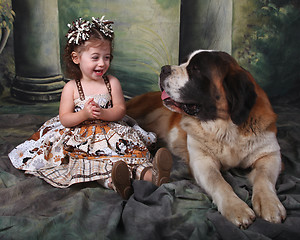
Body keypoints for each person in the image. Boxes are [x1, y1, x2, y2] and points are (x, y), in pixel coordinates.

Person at [8, 16, 172, 200]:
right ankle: (116, 182)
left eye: (107, 57)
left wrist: (104, 113)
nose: (102, 63)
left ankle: (152, 175)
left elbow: (120, 110)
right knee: (95, 164)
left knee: (128, 153)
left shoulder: (111, 83)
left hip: (111, 133)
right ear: (76, 58)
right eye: (95, 57)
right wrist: (84, 114)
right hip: (83, 138)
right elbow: (65, 118)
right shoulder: (71, 87)